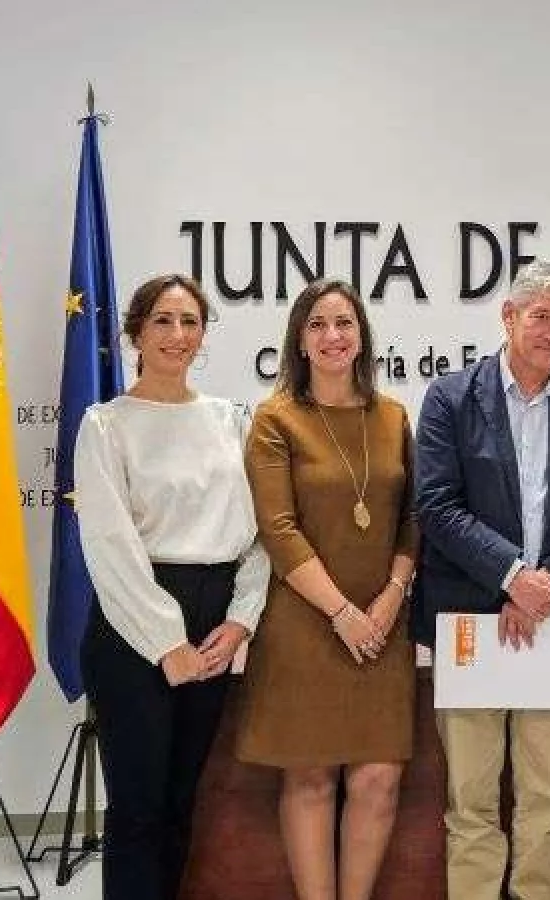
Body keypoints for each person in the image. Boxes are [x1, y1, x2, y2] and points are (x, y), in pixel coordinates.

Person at [412, 259, 550, 900]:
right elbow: (437, 506)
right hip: (472, 625)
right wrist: (510, 577)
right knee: (471, 801)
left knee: (545, 799)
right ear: (508, 316)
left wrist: (538, 589)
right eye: (541, 317)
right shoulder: (450, 399)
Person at [74, 274, 268, 900]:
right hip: (134, 626)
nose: (177, 334)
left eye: (190, 322)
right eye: (162, 320)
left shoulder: (229, 421)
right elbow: (110, 545)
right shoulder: (106, 425)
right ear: (136, 332)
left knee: (182, 802)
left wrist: (241, 619)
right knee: (138, 809)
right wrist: (166, 644)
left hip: (215, 621)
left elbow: (257, 534)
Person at [237, 278, 418, 900]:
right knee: (310, 778)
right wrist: (342, 612)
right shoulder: (275, 419)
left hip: (383, 625)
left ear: (362, 336)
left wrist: (391, 596)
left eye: (344, 323)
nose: (332, 336)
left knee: (378, 779)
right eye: (317, 325)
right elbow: (278, 529)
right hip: (305, 623)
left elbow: (413, 518)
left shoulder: (393, 417)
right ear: (299, 341)